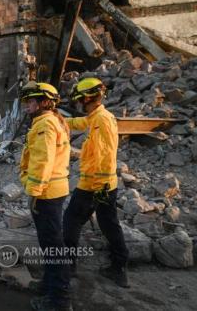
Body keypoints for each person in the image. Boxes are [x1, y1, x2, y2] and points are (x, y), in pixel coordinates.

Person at [63, 77, 130, 288]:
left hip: (95, 185)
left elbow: (101, 157)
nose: (78, 103)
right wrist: (62, 120)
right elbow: (82, 122)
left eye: (80, 99)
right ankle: (119, 269)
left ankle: (68, 266)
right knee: (108, 223)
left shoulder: (101, 121)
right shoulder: (99, 116)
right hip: (106, 184)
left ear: (88, 98)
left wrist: (92, 188)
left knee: (71, 221)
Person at [19, 81, 72, 311]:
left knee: (53, 247)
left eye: (31, 101)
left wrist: (33, 193)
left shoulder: (45, 125)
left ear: (44, 102)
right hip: (52, 192)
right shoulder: (50, 121)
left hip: (46, 194)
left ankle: (59, 300)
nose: (27, 106)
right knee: (50, 244)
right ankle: (50, 285)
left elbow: (43, 161)